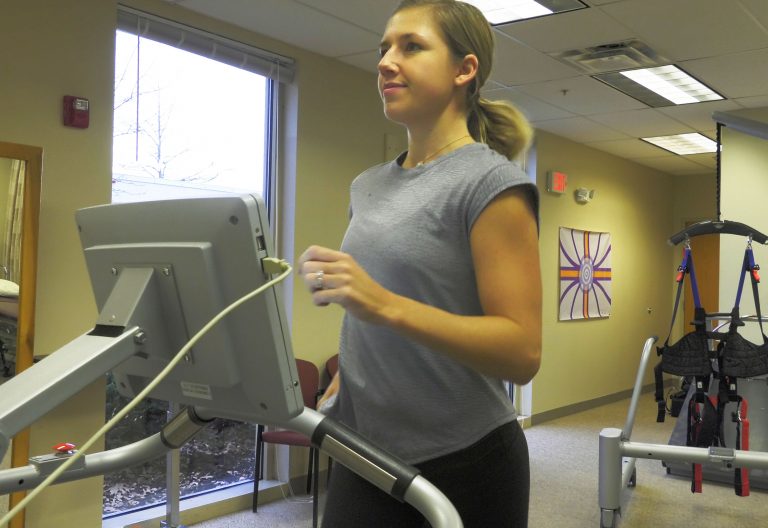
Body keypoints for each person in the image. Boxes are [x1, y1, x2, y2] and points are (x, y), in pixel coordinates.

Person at [298, 1, 541, 526]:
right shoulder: (367, 186)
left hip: (464, 457)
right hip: (363, 448)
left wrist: (384, 305)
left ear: (464, 69)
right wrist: (347, 379)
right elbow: (379, 309)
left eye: (411, 47)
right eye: (384, 48)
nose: (386, 61)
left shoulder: (492, 184)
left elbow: (522, 352)